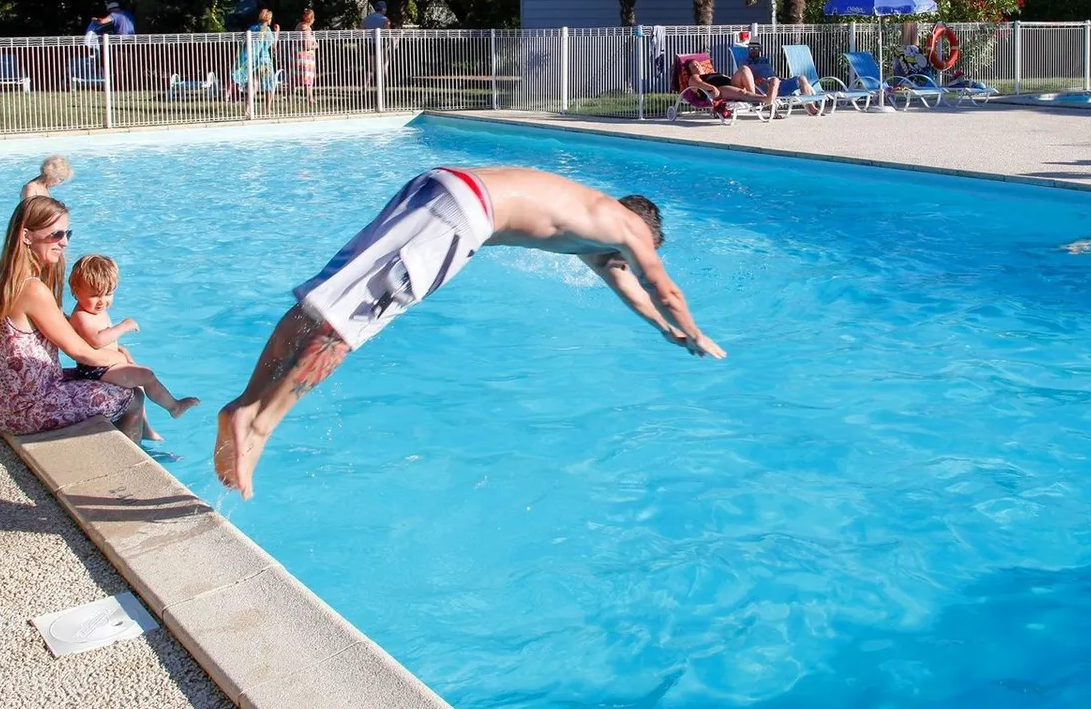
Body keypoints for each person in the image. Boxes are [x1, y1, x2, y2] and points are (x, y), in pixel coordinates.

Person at [215, 166, 723, 498]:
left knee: (326, 299)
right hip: (464, 215)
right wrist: (694, 331)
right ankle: (259, 423)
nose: (632, 260)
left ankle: (246, 403)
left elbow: (633, 291)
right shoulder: (630, 228)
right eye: (640, 251)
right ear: (641, 229)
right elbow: (663, 288)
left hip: (437, 186)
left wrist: (663, 331)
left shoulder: (592, 225)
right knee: (353, 320)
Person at [0, 196, 148, 439]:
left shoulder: (4, 283)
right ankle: (134, 465)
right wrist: (119, 358)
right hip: (24, 411)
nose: (64, 242)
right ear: (26, 236)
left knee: (105, 377)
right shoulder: (33, 289)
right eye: (56, 234)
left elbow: (63, 328)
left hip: (0, 403)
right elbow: (80, 351)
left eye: (68, 234)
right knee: (132, 396)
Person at [64, 254, 198, 438]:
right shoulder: (82, 315)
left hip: (106, 366)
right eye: (95, 295)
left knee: (140, 383)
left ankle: (146, 429)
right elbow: (96, 340)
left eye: (108, 293)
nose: (102, 301)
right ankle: (174, 407)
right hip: (95, 372)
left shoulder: (94, 310)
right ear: (75, 290)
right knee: (146, 375)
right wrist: (122, 327)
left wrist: (120, 350)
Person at [293, 8, 320, 100]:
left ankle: (290, 95)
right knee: (308, 77)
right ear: (311, 19)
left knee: (296, 76)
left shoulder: (298, 26)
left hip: (297, 54)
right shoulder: (306, 29)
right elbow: (307, 46)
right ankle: (310, 97)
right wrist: (316, 46)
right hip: (306, 56)